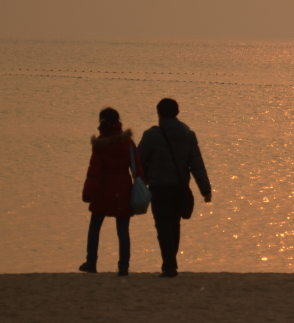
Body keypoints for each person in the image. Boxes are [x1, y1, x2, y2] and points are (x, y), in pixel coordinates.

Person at [137, 98, 212, 278]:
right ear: (177, 113)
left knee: (163, 226)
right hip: (180, 187)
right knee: (174, 225)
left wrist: (140, 180)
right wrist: (205, 189)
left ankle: (169, 265)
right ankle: (170, 263)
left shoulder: (151, 135)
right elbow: (197, 164)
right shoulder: (188, 134)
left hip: (159, 187)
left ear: (159, 113)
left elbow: (139, 160)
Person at [80, 107, 143, 276]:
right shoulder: (128, 142)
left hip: (103, 188)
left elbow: (94, 171)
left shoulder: (100, 143)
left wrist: (87, 193)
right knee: (123, 230)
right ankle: (123, 267)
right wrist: (144, 186)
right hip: (123, 188)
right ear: (118, 121)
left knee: (95, 226)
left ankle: (91, 263)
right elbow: (136, 168)